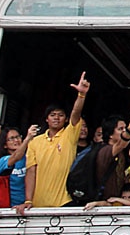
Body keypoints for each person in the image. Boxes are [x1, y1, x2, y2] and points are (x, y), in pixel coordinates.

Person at [20, 71, 91, 213]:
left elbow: (76, 114)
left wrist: (81, 95)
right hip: (38, 204)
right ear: (46, 119)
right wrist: (28, 200)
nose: (56, 118)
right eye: (52, 115)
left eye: (60, 115)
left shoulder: (69, 135)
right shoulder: (35, 142)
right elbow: (31, 172)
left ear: (65, 119)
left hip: (65, 202)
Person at [96, 107, 130, 204]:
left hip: (118, 202)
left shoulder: (121, 153)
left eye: (125, 128)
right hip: (104, 204)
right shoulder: (105, 151)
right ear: (110, 134)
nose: (124, 131)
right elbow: (122, 143)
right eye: (120, 129)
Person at [0, 125, 39, 209]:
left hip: (30, 205)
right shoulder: (4, 160)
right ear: (5, 145)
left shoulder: (29, 157)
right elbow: (16, 156)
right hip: (9, 206)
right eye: (11, 138)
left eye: (18, 137)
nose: (16, 140)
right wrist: (27, 139)